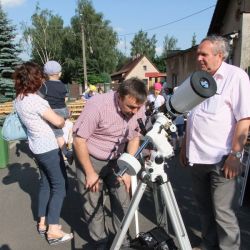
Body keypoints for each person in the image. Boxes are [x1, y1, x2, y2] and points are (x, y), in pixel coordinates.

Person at [180, 35, 250, 250]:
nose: (198, 58)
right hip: (197, 159)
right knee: (204, 210)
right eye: (197, 54)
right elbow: (191, 116)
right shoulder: (197, 78)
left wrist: (235, 155)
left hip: (222, 160)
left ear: (220, 55)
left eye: (204, 54)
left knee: (223, 214)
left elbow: (244, 119)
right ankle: (208, 244)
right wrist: (184, 147)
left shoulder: (235, 77)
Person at [73, 78, 147, 249]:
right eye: (131, 107)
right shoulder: (98, 105)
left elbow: (134, 137)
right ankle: (100, 242)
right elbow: (79, 141)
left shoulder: (138, 107)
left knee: (122, 201)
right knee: (93, 205)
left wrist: (127, 170)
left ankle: (123, 241)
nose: (135, 112)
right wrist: (90, 172)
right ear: (119, 96)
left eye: (138, 108)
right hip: (91, 157)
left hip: (118, 160)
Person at [14, 62, 73, 245]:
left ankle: (42, 222)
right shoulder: (35, 100)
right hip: (48, 147)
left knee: (46, 184)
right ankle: (53, 230)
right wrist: (65, 117)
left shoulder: (19, 100)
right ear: (34, 79)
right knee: (60, 186)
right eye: (39, 76)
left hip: (36, 147)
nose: (42, 79)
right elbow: (58, 122)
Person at [39, 60, 73, 165]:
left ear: (46, 74)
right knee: (65, 127)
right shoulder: (63, 85)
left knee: (58, 135)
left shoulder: (44, 86)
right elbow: (65, 99)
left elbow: (39, 100)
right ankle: (68, 143)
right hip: (64, 110)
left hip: (54, 112)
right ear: (60, 74)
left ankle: (66, 153)